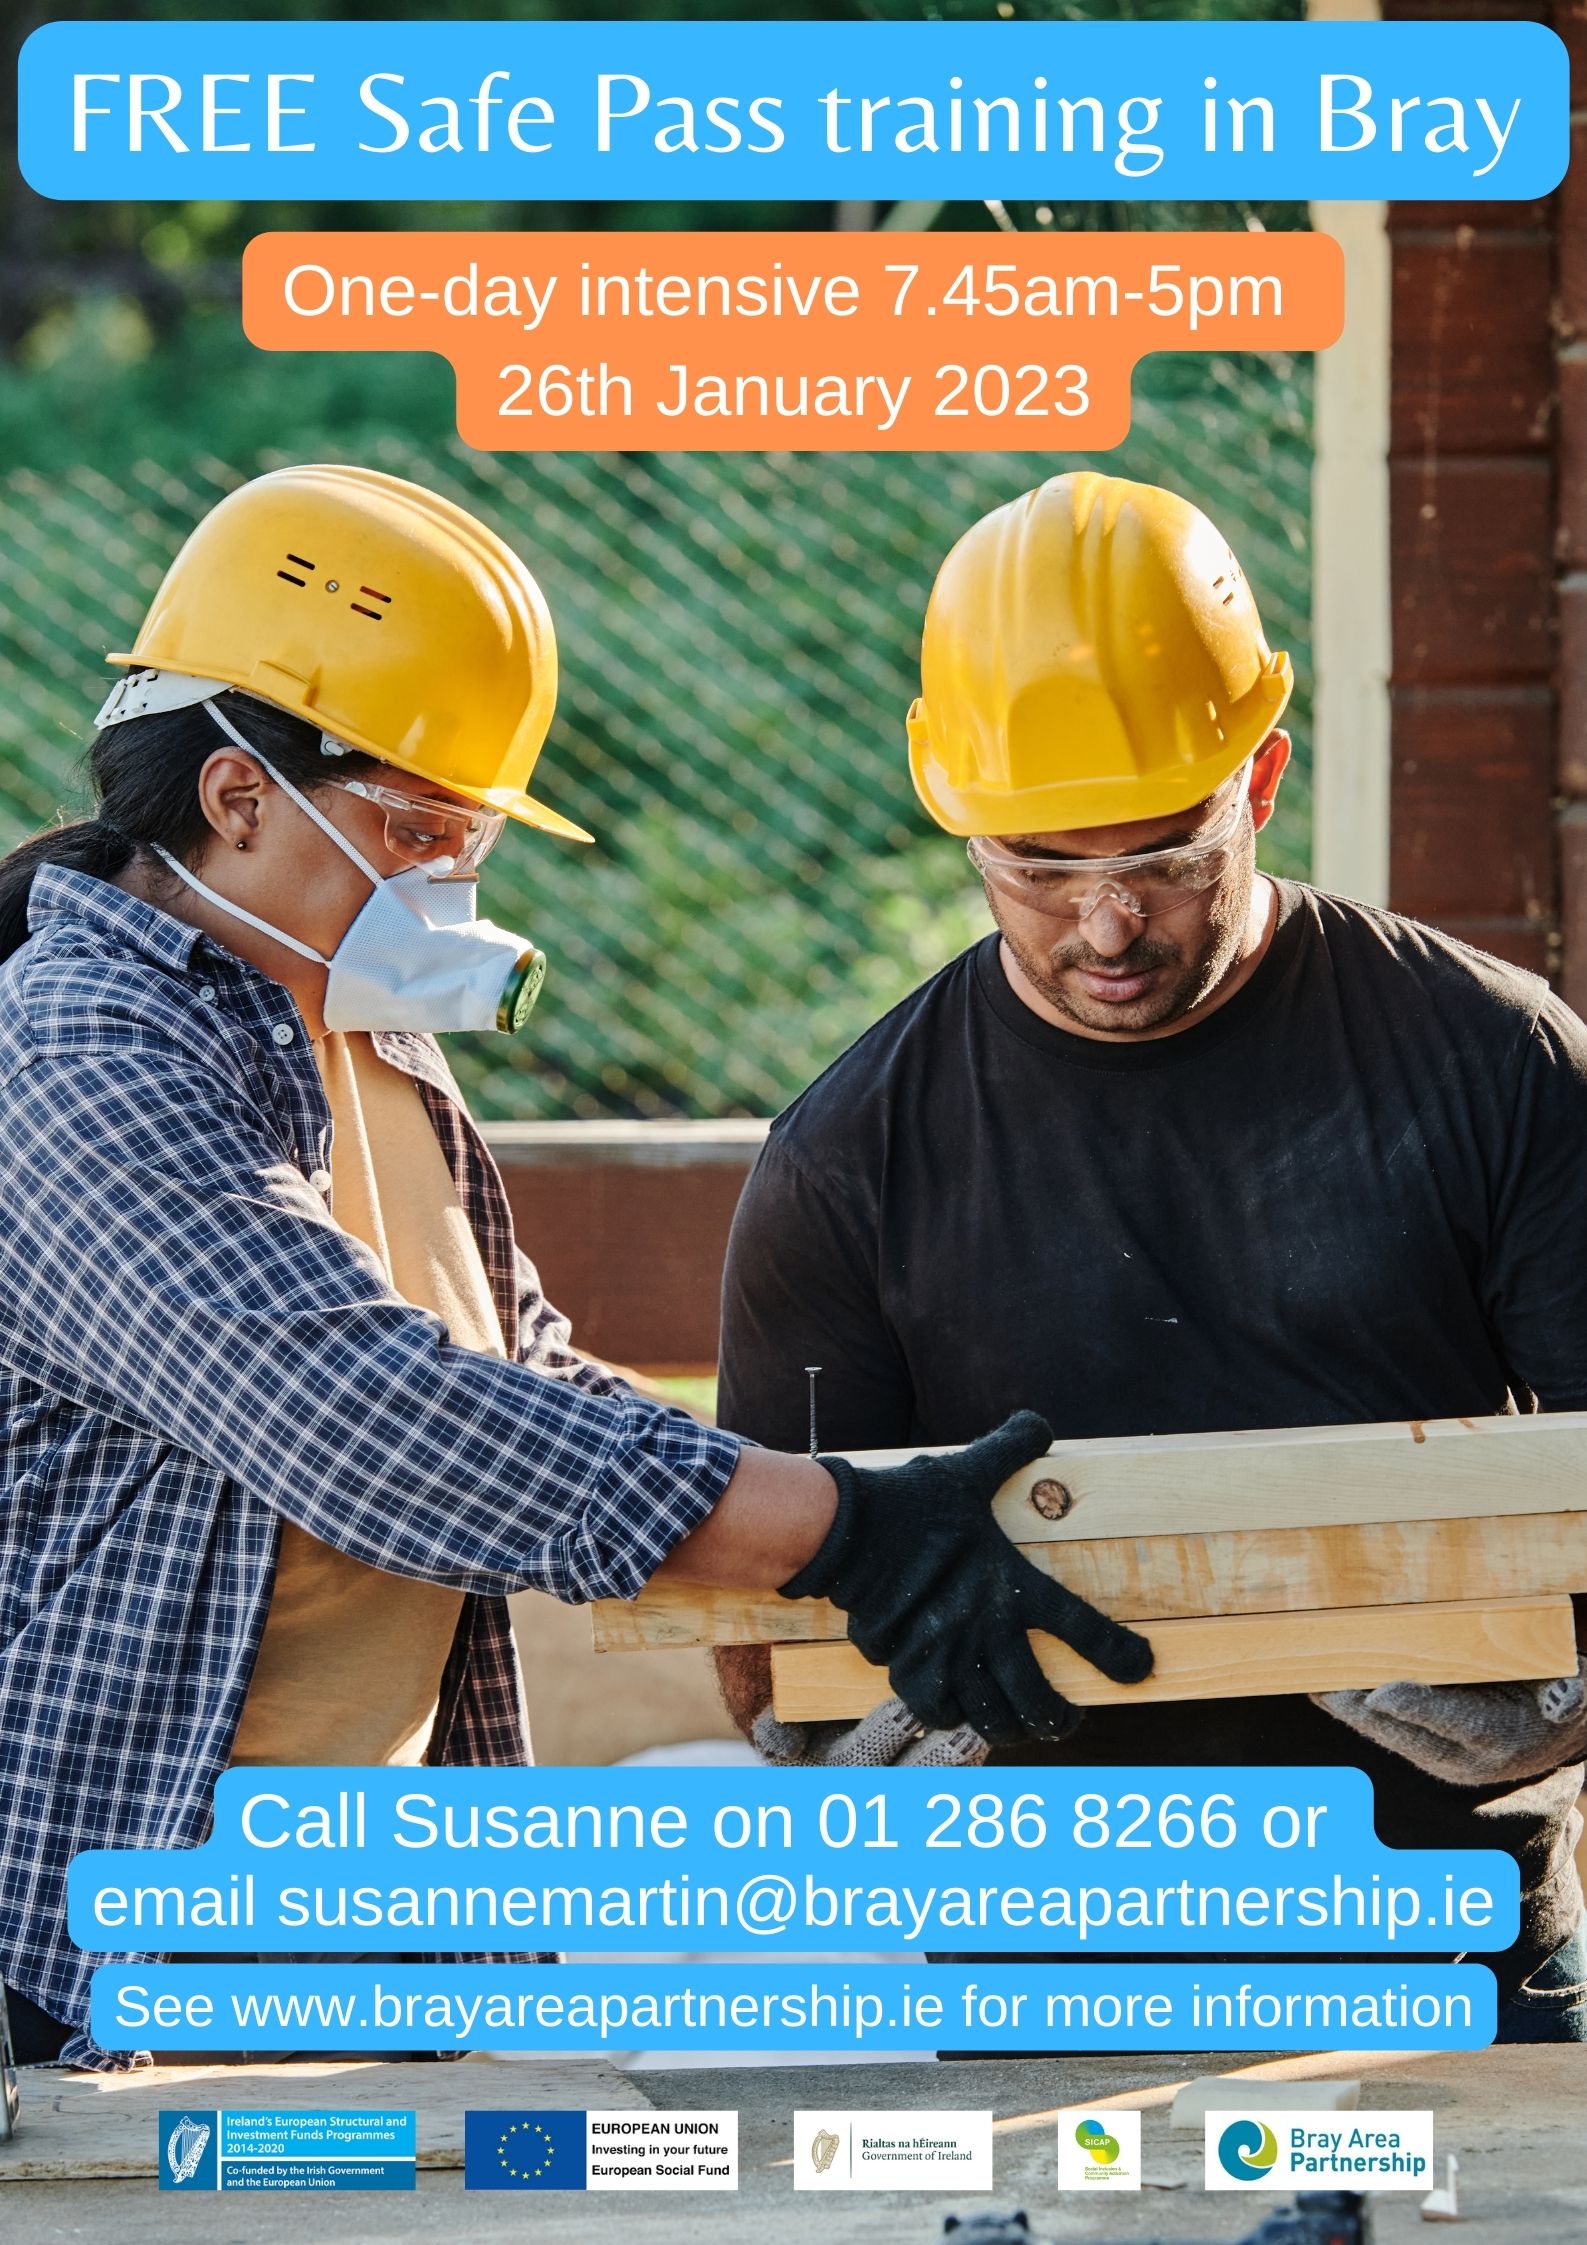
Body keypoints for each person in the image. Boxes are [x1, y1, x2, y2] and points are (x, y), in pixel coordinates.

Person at [0, 464, 1149, 2071]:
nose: (448, 886)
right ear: (238, 795)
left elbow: (520, 1365)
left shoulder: (364, 1029)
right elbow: (361, 1416)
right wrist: (840, 1529)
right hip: (110, 1949)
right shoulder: (80, 1055)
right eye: (418, 830)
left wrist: (830, 1522)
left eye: (471, 840)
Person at [716, 470, 1587, 2043]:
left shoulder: (1499, 1065)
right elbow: (762, 1635)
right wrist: (887, 1726)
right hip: (1047, 1953)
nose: (1106, 925)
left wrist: (1546, 1695)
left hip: (1451, 1926)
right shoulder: (849, 1157)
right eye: (1039, 867)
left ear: (1261, 777)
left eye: (1168, 858)